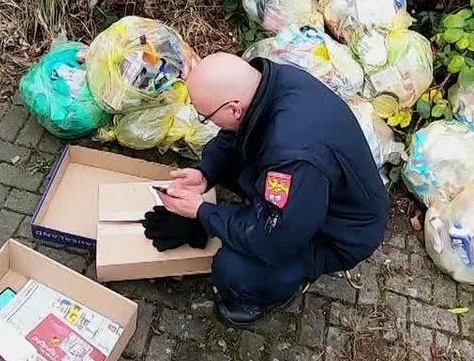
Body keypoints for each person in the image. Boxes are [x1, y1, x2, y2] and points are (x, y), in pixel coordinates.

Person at [158, 53, 389, 327]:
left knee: (232, 269)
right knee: (236, 168)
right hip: (311, 191)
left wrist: (203, 213)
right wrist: (206, 173)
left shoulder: (291, 158)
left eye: (206, 117)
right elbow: (234, 136)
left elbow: (272, 238)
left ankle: (271, 292)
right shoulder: (268, 84)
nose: (208, 122)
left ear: (234, 108)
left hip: (339, 233)